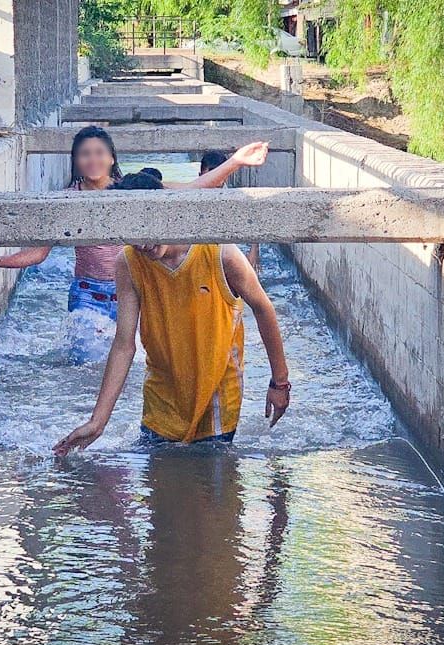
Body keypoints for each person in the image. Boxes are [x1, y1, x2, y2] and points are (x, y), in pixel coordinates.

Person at [0, 126, 270, 363]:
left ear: (111, 158)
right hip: (88, 294)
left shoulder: (131, 190)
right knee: (84, 365)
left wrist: (236, 162)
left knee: (136, 361)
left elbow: (191, 189)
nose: (93, 160)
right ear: (75, 161)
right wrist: (1, 261)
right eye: (85, 154)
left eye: (99, 153)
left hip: (132, 291)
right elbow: (40, 252)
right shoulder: (67, 200)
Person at [53, 173, 291, 454]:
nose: (143, 243)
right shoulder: (129, 262)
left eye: (148, 227)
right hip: (161, 398)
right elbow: (124, 344)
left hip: (216, 398)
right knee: (159, 477)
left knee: (213, 475)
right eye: (133, 234)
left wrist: (280, 382)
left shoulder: (219, 253)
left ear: (167, 215)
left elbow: (263, 308)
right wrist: (98, 421)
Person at [200, 150, 260, 272]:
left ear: (226, 176)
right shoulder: (192, 196)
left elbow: (252, 220)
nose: (216, 181)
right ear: (200, 176)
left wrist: (254, 251)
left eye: (220, 177)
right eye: (210, 177)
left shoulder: (234, 198)